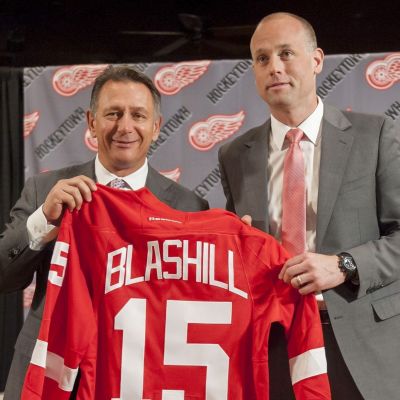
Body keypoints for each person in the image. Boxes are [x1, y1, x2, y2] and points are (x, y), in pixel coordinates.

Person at [219, 12, 400, 400]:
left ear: (316, 60)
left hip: (360, 342)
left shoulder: (375, 135)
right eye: (262, 58)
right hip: (273, 344)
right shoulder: (234, 154)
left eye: (286, 53)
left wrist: (343, 265)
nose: (274, 67)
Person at [0, 65, 208, 399]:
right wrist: (44, 221)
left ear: (156, 127)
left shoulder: (189, 207)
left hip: (143, 378)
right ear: (92, 122)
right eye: (113, 113)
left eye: (138, 115)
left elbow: (198, 304)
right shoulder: (47, 189)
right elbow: (3, 275)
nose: (125, 127)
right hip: (53, 375)